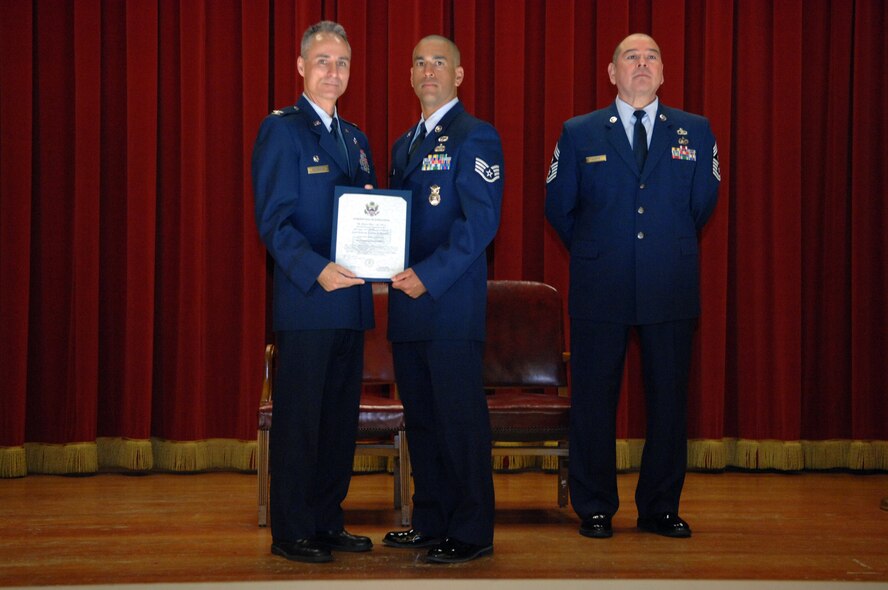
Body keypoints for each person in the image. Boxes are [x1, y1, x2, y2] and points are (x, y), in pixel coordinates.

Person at [545, 33, 720, 540]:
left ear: (663, 73)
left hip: (670, 283)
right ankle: (595, 506)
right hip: (601, 284)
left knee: (669, 401)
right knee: (594, 401)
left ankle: (660, 507)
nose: (641, 64)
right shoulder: (579, 133)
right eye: (630, 57)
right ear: (611, 72)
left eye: (651, 57)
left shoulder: (695, 131)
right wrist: (603, 248)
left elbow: (702, 203)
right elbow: (560, 207)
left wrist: (658, 245)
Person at [251, 21, 377, 563]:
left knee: (337, 421)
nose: (333, 71)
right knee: (301, 421)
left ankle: (327, 519)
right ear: (300, 66)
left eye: (342, 63)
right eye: (323, 61)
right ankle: (292, 530)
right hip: (308, 300)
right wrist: (317, 269)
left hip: (351, 305)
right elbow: (273, 221)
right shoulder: (281, 130)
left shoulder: (357, 138)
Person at [381, 35, 504, 564]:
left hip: (449, 303)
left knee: (459, 420)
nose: (428, 70)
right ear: (410, 76)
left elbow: (480, 225)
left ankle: (472, 528)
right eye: (419, 62)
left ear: (458, 76)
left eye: (440, 62)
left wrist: (426, 277)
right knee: (423, 420)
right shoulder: (403, 144)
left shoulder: (476, 136)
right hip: (408, 308)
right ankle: (431, 518)